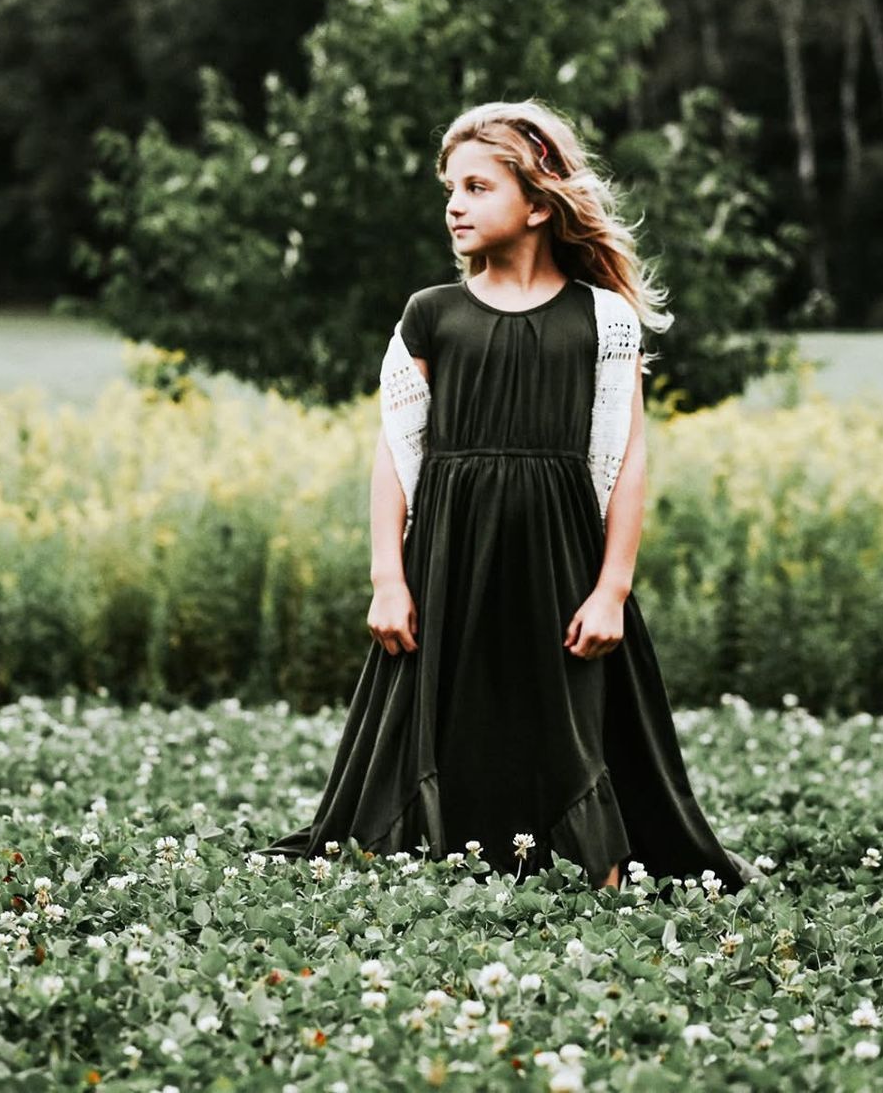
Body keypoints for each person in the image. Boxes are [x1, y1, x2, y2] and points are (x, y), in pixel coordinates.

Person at [262, 98, 759, 894]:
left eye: (476, 187)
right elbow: (396, 453)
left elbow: (628, 456)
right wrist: (389, 578)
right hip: (450, 550)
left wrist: (613, 589)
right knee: (450, 705)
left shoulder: (604, 318)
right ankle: (448, 848)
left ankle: (599, 858)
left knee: (571, 709)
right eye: (449, 189)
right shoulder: (432, 314)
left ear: (537, 200)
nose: (454, 205)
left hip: (563, 552)